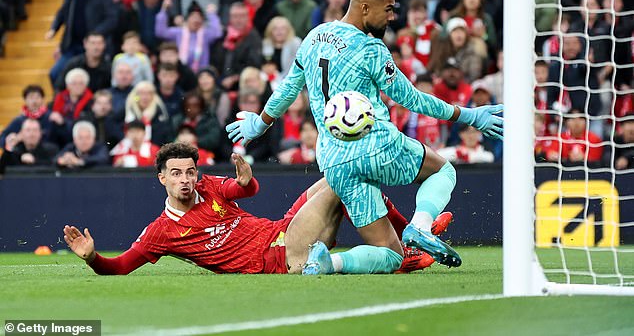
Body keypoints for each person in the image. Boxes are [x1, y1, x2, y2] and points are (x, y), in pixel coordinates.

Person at [226, 0, 503, 274]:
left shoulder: (313, 38)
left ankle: (328, 263)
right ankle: (421, 226)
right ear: (365, 8)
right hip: (375, 146)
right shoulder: (371, 50)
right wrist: (468, 115)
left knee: (390, 255)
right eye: (388, 9)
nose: (391, 16)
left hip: (334, 161)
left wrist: (260, 124)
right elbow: (412, 99)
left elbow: (287, 90)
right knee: (443, 171)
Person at [63, 142, 450, 274]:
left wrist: (246, 181)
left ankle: (409, 242)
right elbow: (118, 267)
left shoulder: (208, 185)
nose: (185, 179)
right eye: (176, 174)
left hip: (281, 230)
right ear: (161, 179)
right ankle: (407, 249)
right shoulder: (161, 232)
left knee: (336, 175)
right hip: (282, 256)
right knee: (341, 179)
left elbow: (243, 189)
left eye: (190, 171)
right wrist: (93, 257)